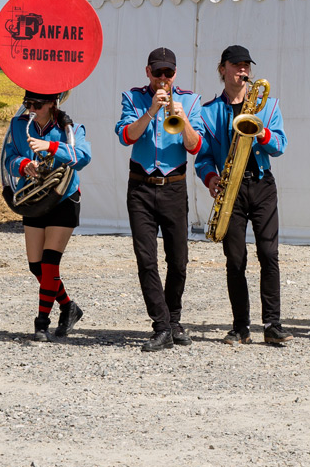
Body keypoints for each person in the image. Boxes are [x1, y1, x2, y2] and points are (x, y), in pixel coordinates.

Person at [193, 45, 289, 347]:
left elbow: (280, 145)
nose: (243, 70)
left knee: (269, 254)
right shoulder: (208, 112)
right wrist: (210, 178)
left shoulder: (268, 106)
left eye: (246, 65)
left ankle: (272, 324)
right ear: (222, 69)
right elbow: (203, 158)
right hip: (230, 189)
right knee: (235, 259)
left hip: (261, 184)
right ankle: (240, 326)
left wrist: (262, 132)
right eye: (236, 65)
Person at [115, 47, 203, 352]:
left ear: (175, 74)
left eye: (168, 72)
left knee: (178, 260)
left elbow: (195, 147)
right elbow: (126, 136)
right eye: (157, 72)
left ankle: (173, 318)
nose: (163, 78)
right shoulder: (133, 98)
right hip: (140, 186)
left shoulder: (190, 100)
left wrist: (182, 119)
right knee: (146, 259)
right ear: (148, 72)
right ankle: (162, 326)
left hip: (174, 186)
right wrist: (151, 110)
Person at [3, 89, 92, 342]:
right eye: (28, 103)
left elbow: (83, 157)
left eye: (37, 105)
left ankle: (42, 323)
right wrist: (23, 165)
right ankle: (68, 306)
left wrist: (51, 147)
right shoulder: (18, 125)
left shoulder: (71, 129)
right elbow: (9, 158)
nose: (31, 109)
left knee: (50, 263)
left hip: (64, 199)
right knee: (36, 266)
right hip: (34, 198)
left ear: (53, 104)